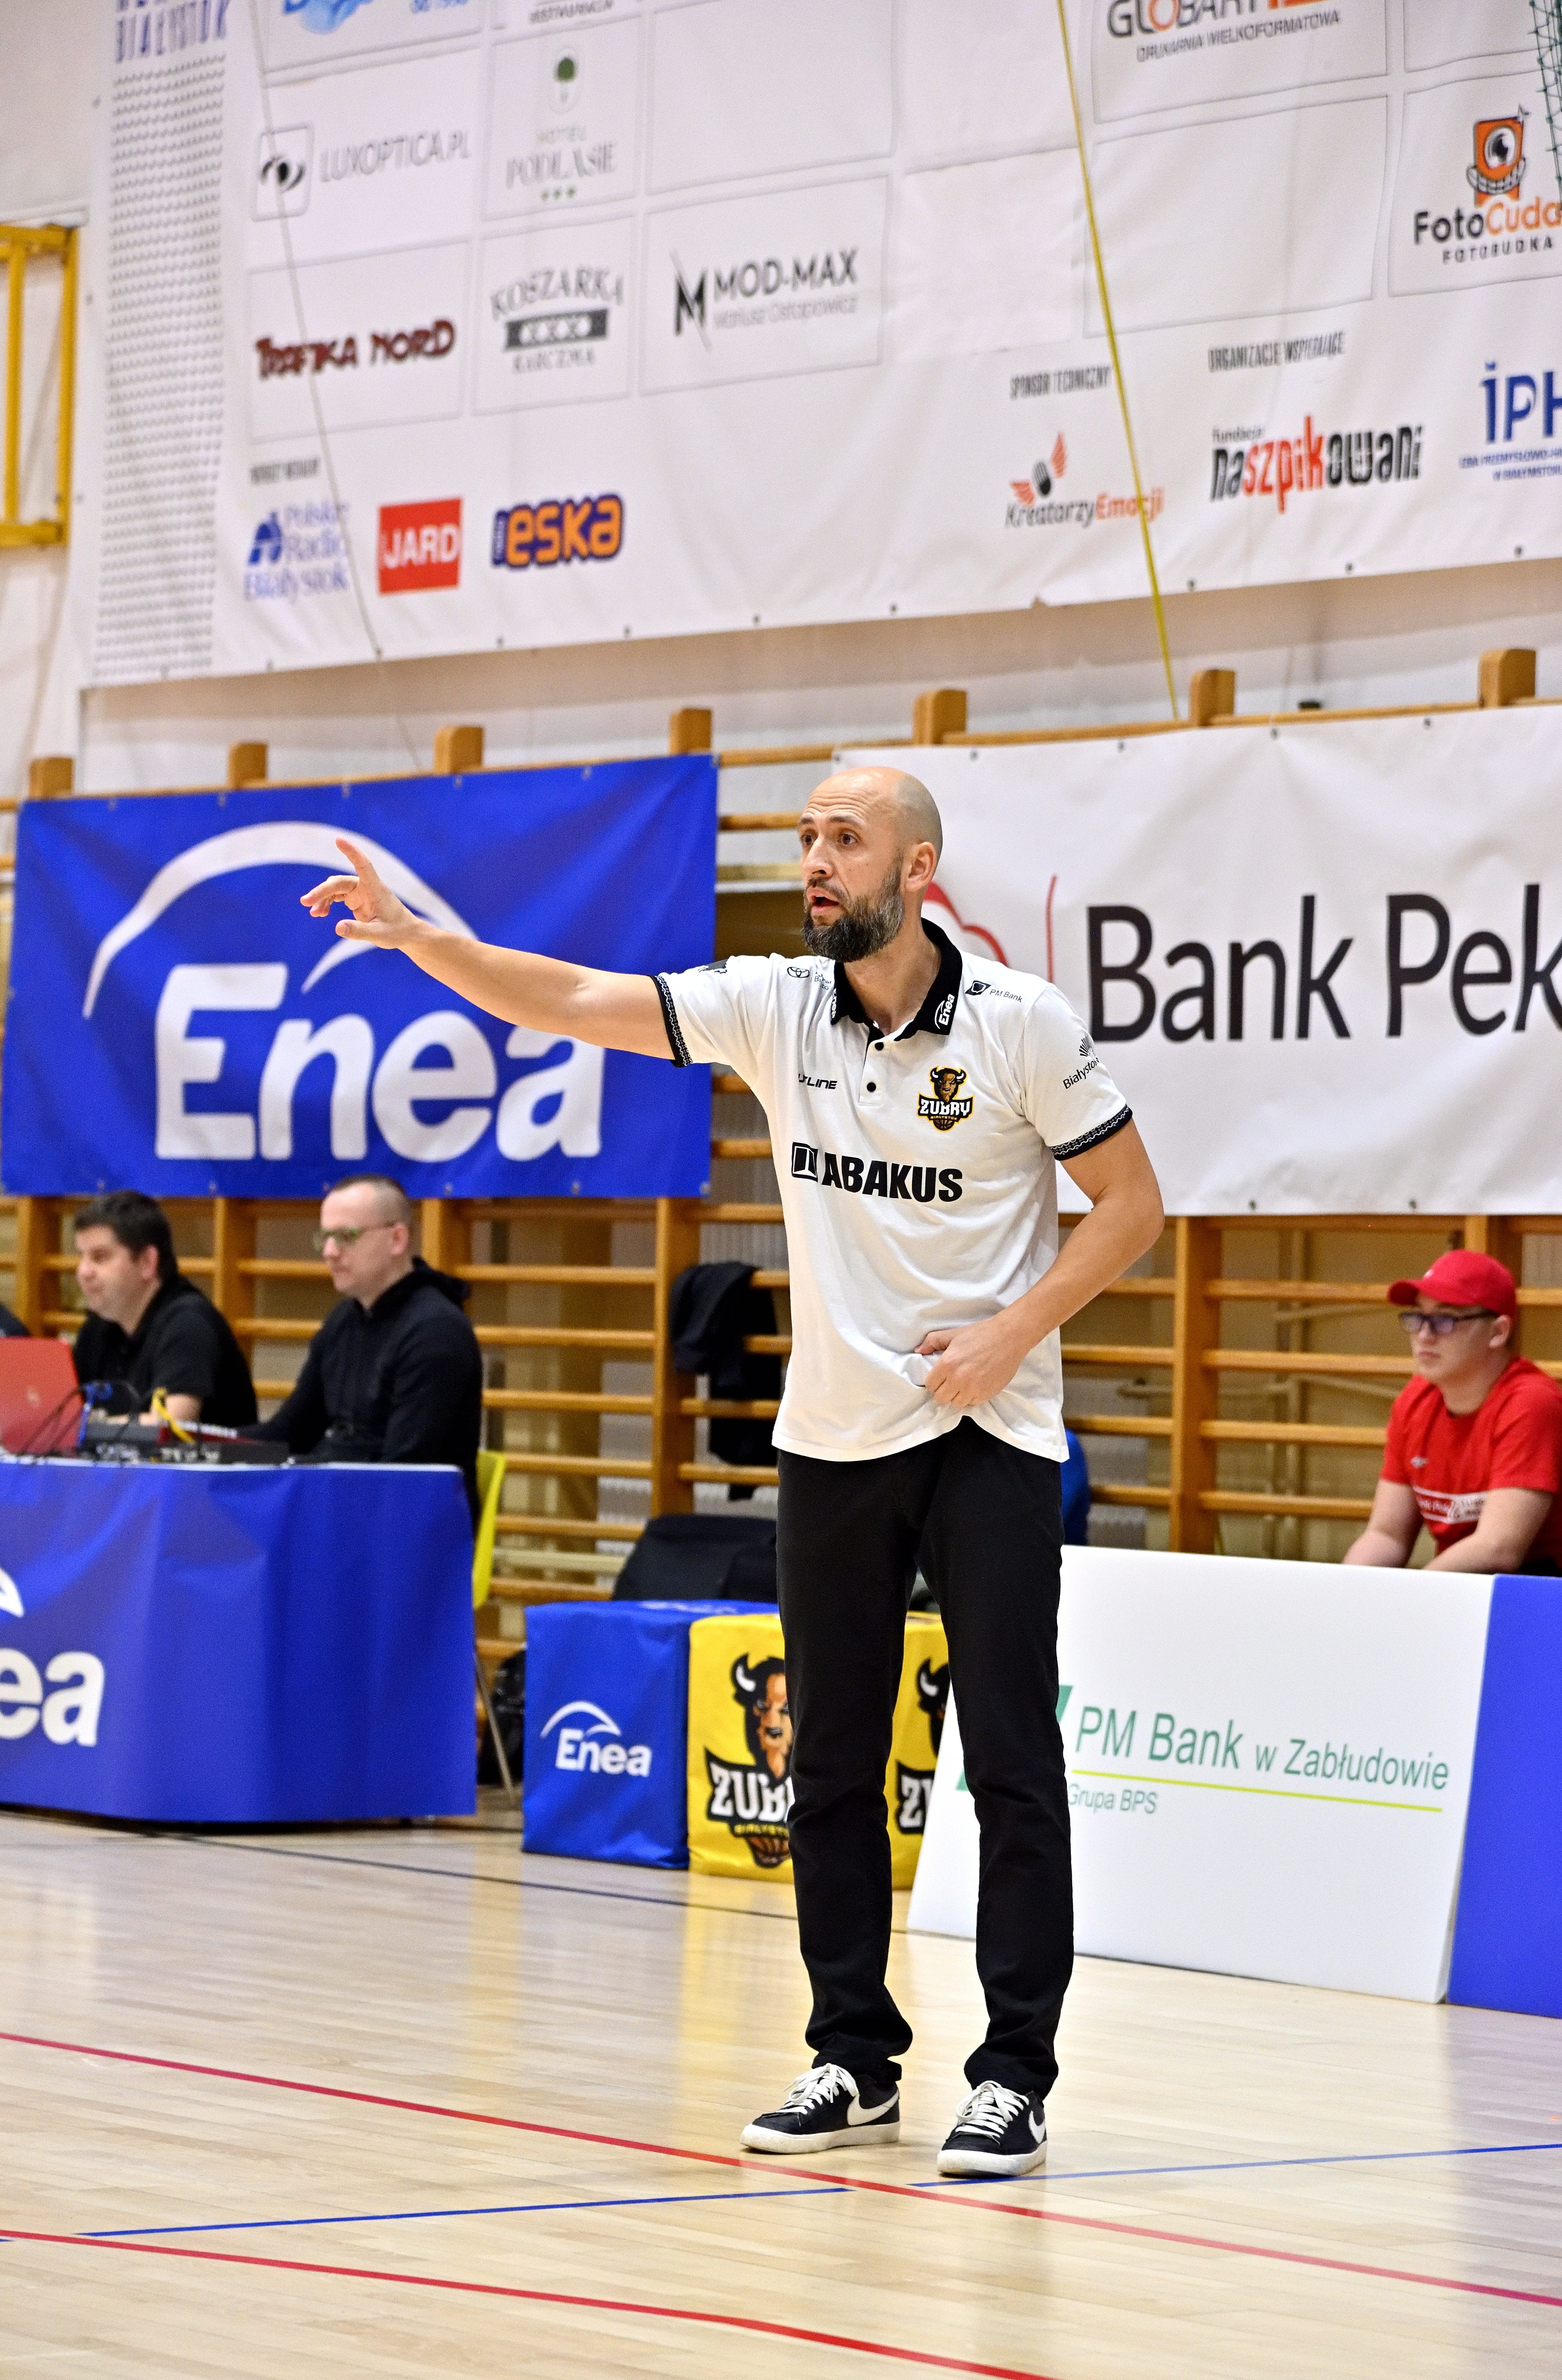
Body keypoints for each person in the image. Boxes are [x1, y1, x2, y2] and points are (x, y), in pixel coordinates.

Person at [298, 766, 1163, 2179]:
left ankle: (1013, 2071)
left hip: (987, 1431)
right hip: (833, 1436)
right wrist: (418, 939)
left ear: (919, 868)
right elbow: (574, 997)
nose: (815, 858)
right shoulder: (775, 1003)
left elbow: (1132, 1206)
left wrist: (1011, 1331)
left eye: (845, 838)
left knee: (1010, 1755)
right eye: (806, 835)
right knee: (827, 1760)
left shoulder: (1021, 1024)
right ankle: (852, 2054)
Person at [248, 1173, 483, 1522]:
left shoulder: (436, 1331)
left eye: (347, 1237)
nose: (329, 1252)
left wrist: (305, 1477)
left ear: (397, 1239)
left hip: (413, 1528)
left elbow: (403, 1473)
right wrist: (201, 1448)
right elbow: (291, 1432)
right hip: (354, 1507)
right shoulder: (344, 1321)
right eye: (325, 1238)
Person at [1344, 1250, 1562, 1577]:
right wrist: (1347, 1589)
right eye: (1418, 1318)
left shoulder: (1532, 1405)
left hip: (1560, 1591)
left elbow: (1498, 1549)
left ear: (1498, 1332)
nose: (1424, 1335)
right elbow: (1387, 1535)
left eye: (1445, 1320)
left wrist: (1417, 1596)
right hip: (1471, 1587)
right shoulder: (1414, 1402)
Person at [72, 1190, 257, 1427]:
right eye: (82, 1257)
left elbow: (170, 1424)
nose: (83, 1272)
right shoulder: (98, 1327)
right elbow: (63, 1415)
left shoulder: (189, 1322)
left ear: (147, 1262)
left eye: (100, 1257)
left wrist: (84, 1428)